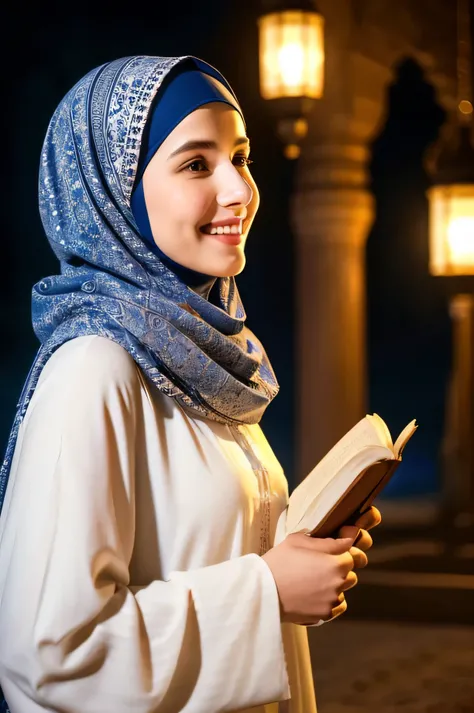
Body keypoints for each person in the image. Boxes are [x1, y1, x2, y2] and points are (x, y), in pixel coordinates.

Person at [0, 54, 381, 713]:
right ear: (113, 192)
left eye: (242, 156)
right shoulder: (94, 367)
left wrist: (302, 550)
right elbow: (51, 655)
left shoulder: (204, 360)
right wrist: (267, 590)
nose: (239, 190)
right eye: (197, 164)